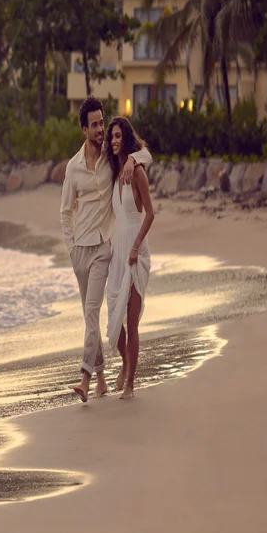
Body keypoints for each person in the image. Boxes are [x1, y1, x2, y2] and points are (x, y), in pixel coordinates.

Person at [60, 97, 152, 403]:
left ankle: (94, 378)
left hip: (110, 247)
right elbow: (65, 211)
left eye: (105, 125)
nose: (103, 131)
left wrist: (132, 158)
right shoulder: (81, 167)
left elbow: (144, 153)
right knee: (101, 317)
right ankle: (103, 375)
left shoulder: (118, 162)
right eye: (97, 125)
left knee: (99, 312)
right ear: (84, 128)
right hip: (85, 249)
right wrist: (71, 246)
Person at [104, 116, 155, 400]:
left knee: (131, 320)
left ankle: (131, 383)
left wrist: (136, 247)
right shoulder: (115, 172)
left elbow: (151, 213)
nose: (113, 140)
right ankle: (124, 362)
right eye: (111, 136)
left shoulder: (136, 172)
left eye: (118, 136)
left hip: (136, 251)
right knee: (113, 313)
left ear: (127, 138)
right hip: (117, 252)